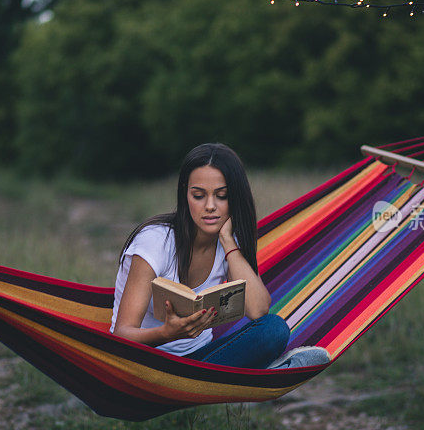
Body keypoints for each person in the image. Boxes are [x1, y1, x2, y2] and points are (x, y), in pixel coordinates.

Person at [111, 143, 329, 369]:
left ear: (234, 198)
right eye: (198, 195)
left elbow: (258, 310)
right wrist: (166, 333)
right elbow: (121, 335)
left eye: (222, 196)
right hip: (146, 364)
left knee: (274, 328)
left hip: (204, 361)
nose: (210, 206)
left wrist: (227, 241)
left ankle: (244, 376)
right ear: (185, 194)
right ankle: (266, 373)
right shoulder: (155, 243)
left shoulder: (228, 242)